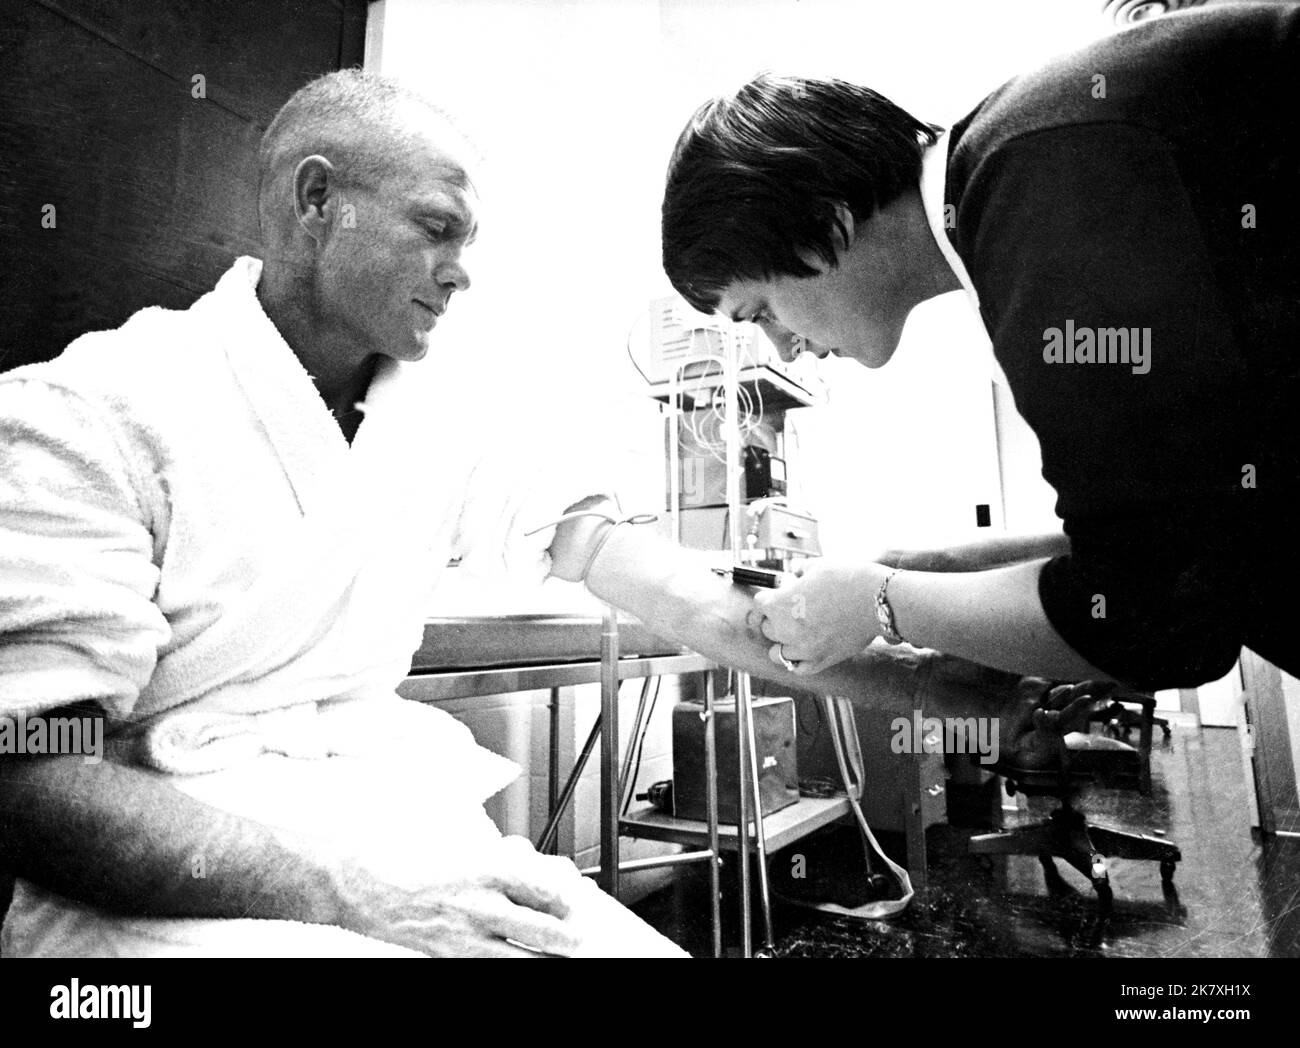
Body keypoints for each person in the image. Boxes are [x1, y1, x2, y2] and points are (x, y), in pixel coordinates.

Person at [0, 70, 1106, 958]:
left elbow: (685, 596)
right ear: (314, 201)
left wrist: (914, 680)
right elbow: (36, 775)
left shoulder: (436, 422)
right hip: (183, 873)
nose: (461, 273)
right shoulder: (89, 415)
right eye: (438, 230)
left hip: (386, 821)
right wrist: (359, 898)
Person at [659, 4, 1300, 692]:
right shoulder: (1022, 176)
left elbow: (1161, 624)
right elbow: (1189, 537)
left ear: (826, 222)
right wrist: (936, 569)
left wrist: (883, 603)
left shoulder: (1046, 183)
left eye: (760, 312)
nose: (782, 351)